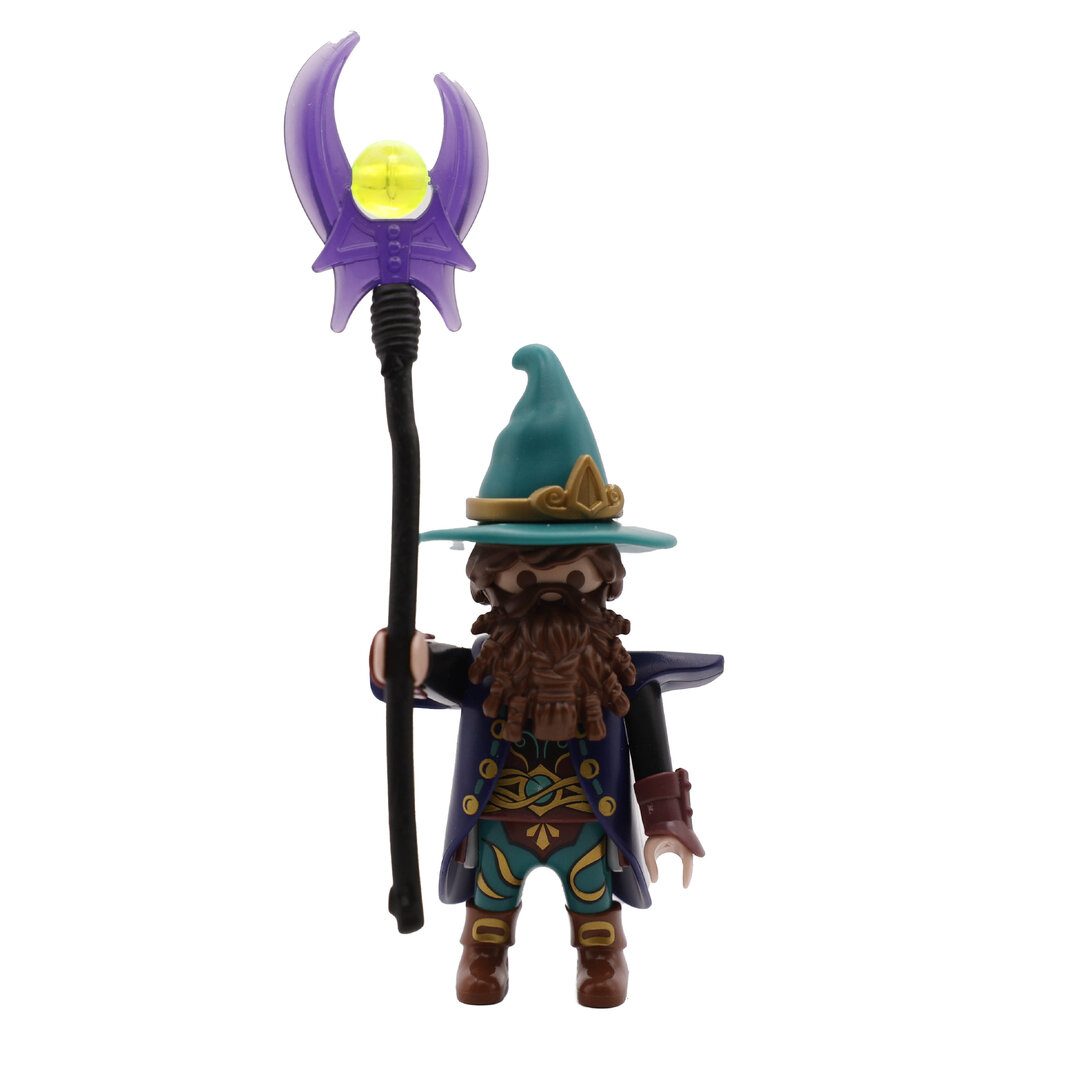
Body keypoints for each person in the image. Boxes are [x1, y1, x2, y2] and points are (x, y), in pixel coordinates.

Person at [371, 344, 723, 1007]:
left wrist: (666, 822)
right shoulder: (485, 667)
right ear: (491, 581)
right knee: (492, 892)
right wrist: (404, 656)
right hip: (496, 817)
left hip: (589, 818)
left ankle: (601, 955)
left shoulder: (618, 674)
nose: (552, 594)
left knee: (591, 892)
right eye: (528, 576)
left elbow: (650, 750)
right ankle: (484, 952)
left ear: (604, 579)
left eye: (574, 575)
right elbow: (423, 674)